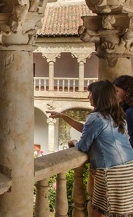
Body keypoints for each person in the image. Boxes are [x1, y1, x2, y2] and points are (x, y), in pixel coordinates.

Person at [47, 80, 133, 217]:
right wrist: (64, 116)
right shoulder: (118, 115)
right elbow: (90, 130)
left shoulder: (95, 118)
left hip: (110, 172)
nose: (88, 96)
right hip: (128, 168)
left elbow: (83, 146)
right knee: (122, 211)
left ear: (99, 96)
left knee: (98, 211)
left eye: (90, 93)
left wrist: (74, 142)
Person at [113, 75, 133, 148]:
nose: (114, 95)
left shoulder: (130, 111)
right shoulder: (125, 109)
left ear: (128, 91)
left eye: (117, 91)